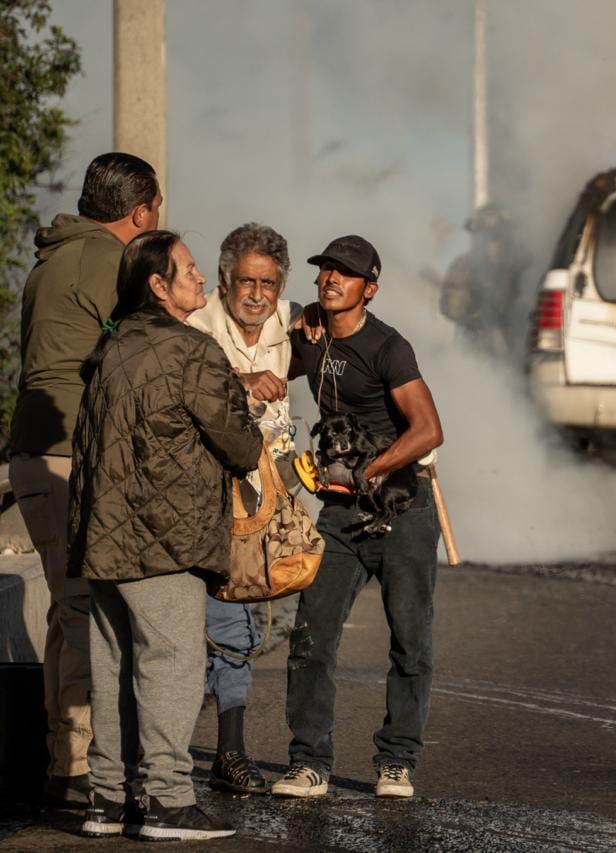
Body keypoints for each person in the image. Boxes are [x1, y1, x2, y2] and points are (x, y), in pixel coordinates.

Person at [69, 230, 261, 841]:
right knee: (172, 665)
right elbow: (240, 445)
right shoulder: (190, 349)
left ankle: (107, 800)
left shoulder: (110, 348)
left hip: (104, 541)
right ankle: (168, 802)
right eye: (190, 269)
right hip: (165, 541)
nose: (203, 279)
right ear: (159, 285)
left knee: (113, 668)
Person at [9, 152, 161, 807]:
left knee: (66, 607)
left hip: (37, 453)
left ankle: (65, 764)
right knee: (88, 612)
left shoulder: (53, 259)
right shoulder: (109, 259)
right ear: (140, 211)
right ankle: (86, 773)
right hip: (72, 452)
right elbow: (148, 349)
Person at [273, 235, 444, 800]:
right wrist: (294, 328)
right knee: (311, 636)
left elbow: (428, 430)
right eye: (326, 269)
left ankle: (397, 762)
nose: (331, 278)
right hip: (340, 513)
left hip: (401, 505)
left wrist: (369, 471)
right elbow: (261, 357)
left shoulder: (388, 347)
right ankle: (309, 763)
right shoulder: (310, 336)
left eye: (345, 273)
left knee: (410, 642)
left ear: (369, 288)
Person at [186, 222, 298, 795]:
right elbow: (177, 379)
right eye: (247, 282)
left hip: (259, 506)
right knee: (202, 628)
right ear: (224, 280)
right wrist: (241, 381)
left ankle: (226, 752)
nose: (257, 295)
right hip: (200, 500)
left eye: (268, 284)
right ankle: (180, 759)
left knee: (238, 621)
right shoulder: (194, 325)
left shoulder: (291, 325)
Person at [438, 203, 530, 356]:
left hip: (517, 343)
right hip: (475, 344)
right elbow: (450, 308)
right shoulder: (464, 266)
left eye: (497, 237)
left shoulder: (521, 264)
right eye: (487, 237)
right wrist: (473, 309)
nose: (492, 244)